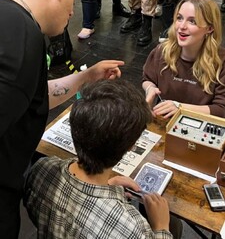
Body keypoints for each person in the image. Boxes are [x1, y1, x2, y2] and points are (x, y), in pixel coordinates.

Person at [0, 0, 124, 238]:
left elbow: (31, 93)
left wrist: (86, 78)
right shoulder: (24, 42)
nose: (72, 10)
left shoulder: (10, 18)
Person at [24, 78, 178, 238]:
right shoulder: (131, 228)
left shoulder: (42, 169)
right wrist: (161, 227)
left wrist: (108, 185)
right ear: (131, 146)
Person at [142, 0, 225, 119]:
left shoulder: (221, 61)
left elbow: (221, 109)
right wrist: (150, 89)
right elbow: (148, 78)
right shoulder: (162, 51)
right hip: (164, 121)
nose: (182, 26)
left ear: (210, 28)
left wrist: (179, 107)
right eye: (179, 18)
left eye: (192, 21)